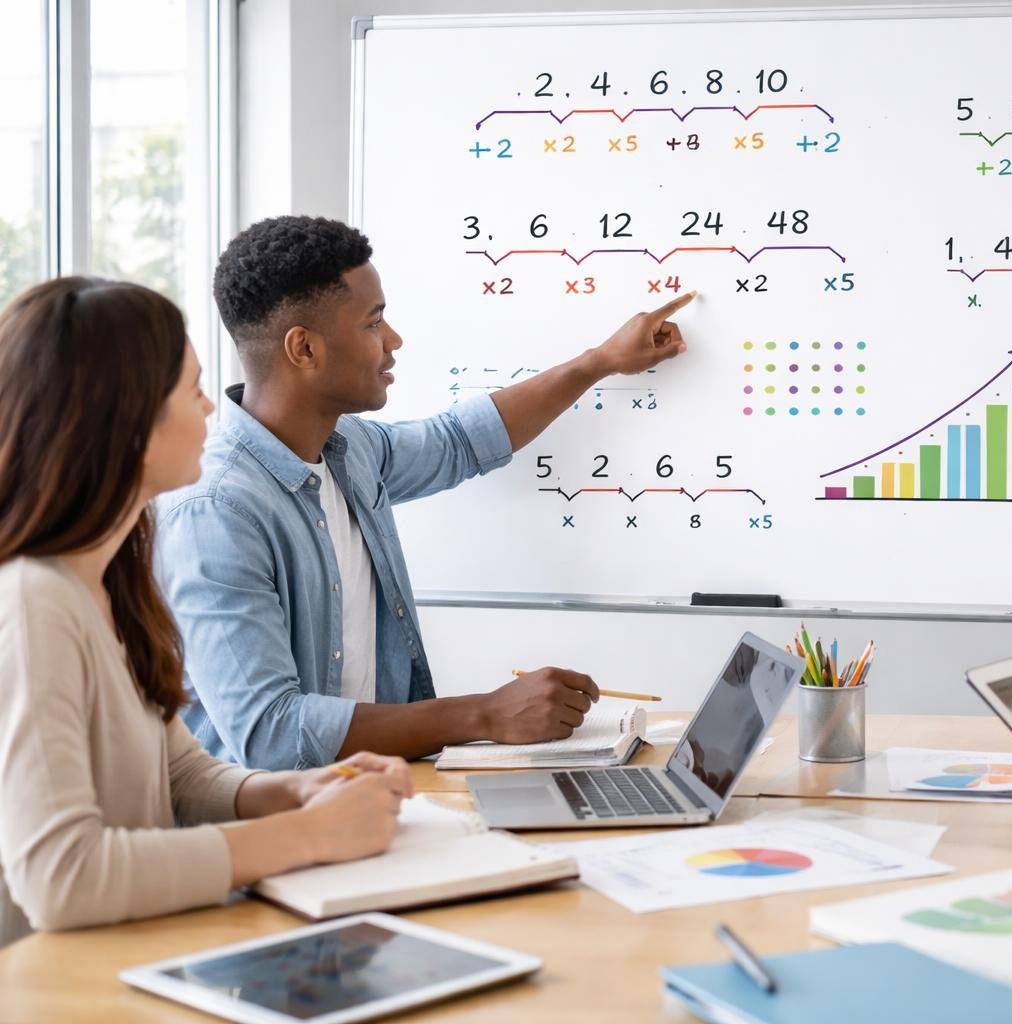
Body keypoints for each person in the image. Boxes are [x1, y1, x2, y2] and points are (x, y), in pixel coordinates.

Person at [156, 216, 693, 772]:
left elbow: (461, 439)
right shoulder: (216, 513)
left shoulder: (349, 450)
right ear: (304, 349)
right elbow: (271, 733)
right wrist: (484, 715)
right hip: (273, 834)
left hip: (364, 799)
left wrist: (598, 362)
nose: (393, 341)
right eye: (374, 323)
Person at [0, 278, 411, 946]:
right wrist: (308, 835)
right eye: (191, 391)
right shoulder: (31, 604)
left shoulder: (112, 581)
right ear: (126, 425)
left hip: (141, 953)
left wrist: (304, 790)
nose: (210, 413)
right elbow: (63, 878)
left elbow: (181, 775)